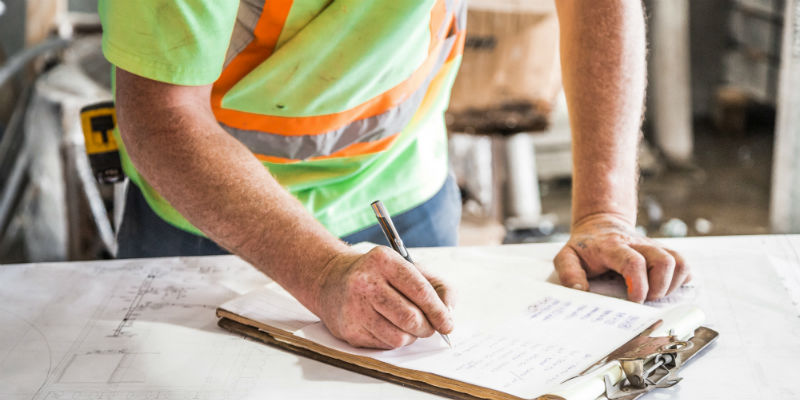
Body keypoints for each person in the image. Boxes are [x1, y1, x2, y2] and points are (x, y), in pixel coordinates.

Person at [99, 0, 689, 349]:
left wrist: (604, 213)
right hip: (212, 220)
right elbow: (160, 113)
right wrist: (322, 269)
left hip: (405, 188)